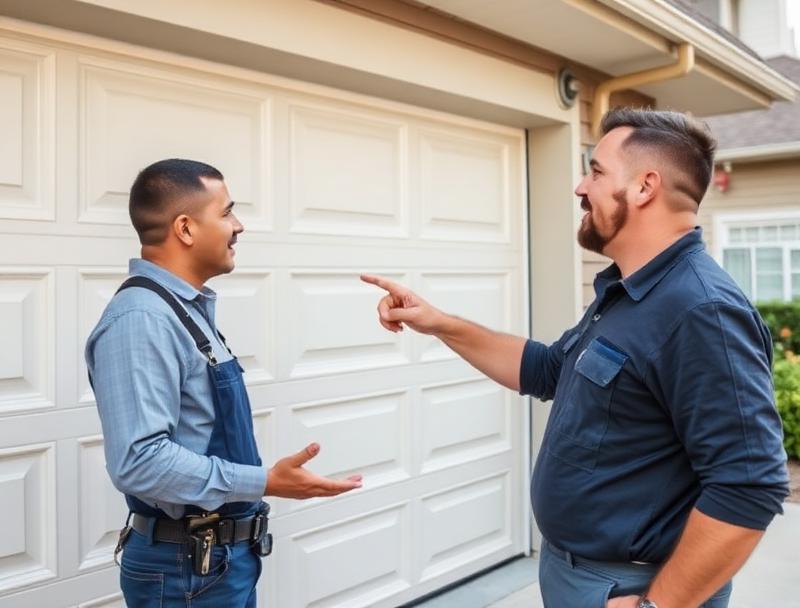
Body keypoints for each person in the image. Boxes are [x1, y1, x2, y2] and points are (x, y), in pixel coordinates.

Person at [362, 108, 789, 608]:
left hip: (630, 588)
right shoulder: (628, 292)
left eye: (597, 171)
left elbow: (750, 483)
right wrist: (437, 322)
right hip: (578, 575)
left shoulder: (700, 311)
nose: (580, 187)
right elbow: (547, 370)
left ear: (645, 187)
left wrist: (658, 606)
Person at [86, 159, 362, 607]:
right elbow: (138, 461)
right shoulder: (141, 319)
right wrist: (264, 481)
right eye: (227, 212)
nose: (239, 226)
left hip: (216, 565)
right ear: (186, 229)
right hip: (183, 575)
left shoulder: (182, 310)